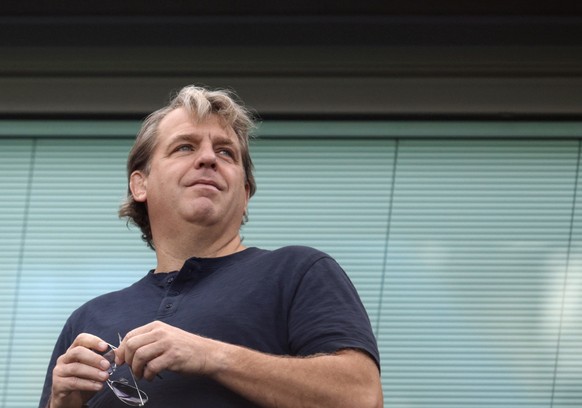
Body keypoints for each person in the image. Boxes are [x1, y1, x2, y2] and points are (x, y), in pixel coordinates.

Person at [39, 85, 383, 408]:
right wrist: (61, 403)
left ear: (245, 194)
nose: (208, 159)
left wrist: (210, 356)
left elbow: (363, 396)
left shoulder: (298, 272)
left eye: (225, 152)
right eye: (185, 147)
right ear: (140, 185)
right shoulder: (88, 320)